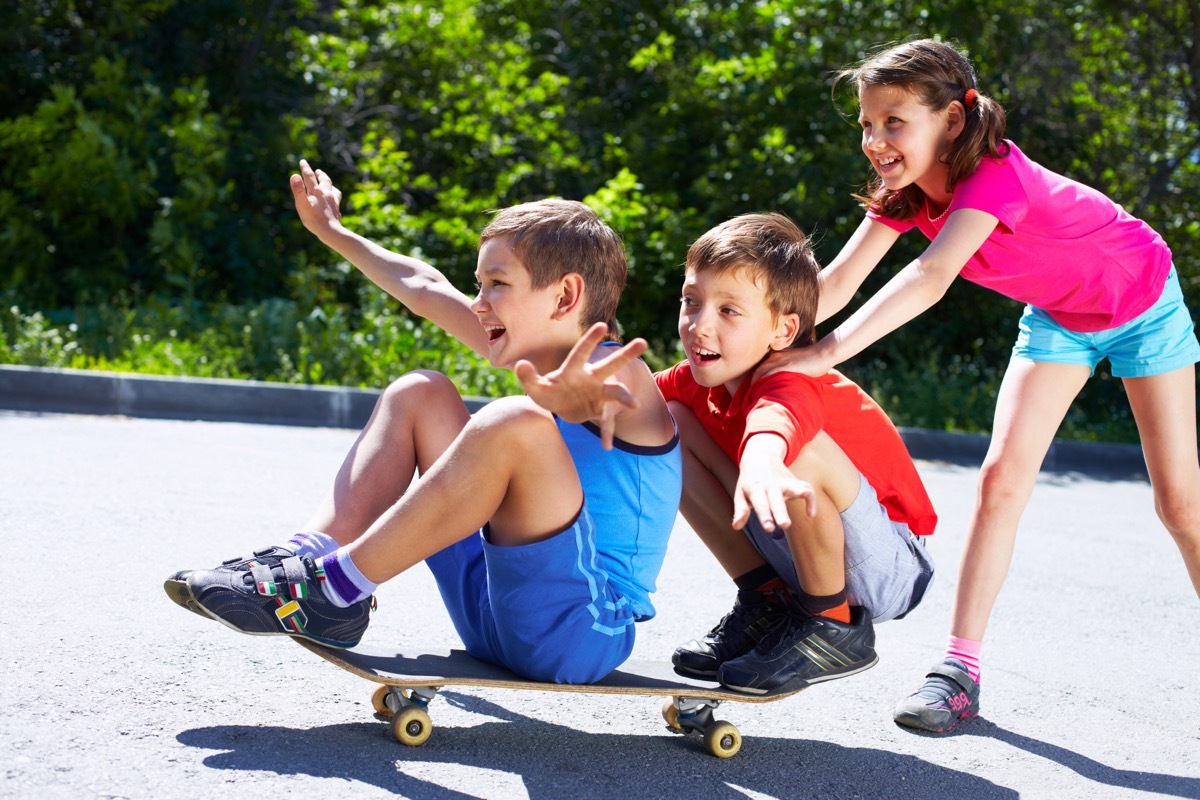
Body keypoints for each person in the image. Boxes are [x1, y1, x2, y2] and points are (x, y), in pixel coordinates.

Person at [766, 38, 1200, 731]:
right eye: (867, 125)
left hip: (1144, 301)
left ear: (954, 121)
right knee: (999, 479)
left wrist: (828, 353)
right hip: (1061, 318)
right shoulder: (904, 192)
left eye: (894, 122)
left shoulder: (992, 175)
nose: (875, 140)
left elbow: (931, 277)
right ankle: (958, 673)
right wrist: (763, 336)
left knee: (1180, 507)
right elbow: (839, 282)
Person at [164, 160, 683, 685]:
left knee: (512, 420)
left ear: (565, 296)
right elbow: (421, 285)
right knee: (422, 391)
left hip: (580, 632)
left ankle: (339, 587)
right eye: (478, 285)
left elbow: (596, 400)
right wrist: (333, 232)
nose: (478, 304)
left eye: (496, 284)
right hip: (490, 609)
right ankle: (312, 562)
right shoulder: (527, 342)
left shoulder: (625, 374)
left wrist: (565, 405)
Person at [653, 212, 937, 695]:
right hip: (801, 552)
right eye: (692, 302)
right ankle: (767, 601)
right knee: (664, 422)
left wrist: (763, 459)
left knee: (797, 451)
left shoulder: (793, 379)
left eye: (728, 311)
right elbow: (634, 398)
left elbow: (778, 421)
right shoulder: (698, 378)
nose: (699, 326)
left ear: (783, 331)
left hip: (887, 568)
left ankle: (831, 625)